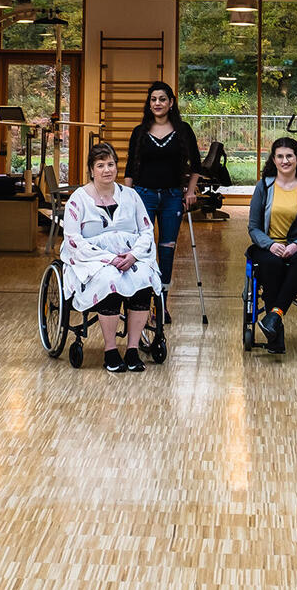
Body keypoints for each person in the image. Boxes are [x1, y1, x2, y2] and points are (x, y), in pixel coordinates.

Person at [63, 141, 162, 373]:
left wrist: (134, 255)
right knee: (109, 279)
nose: (107, 170)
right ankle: (110, 350)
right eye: (100, 165)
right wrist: (108, 258)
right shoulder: (78, 199)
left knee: (144, 278)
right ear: (91, 170)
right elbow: (73, 239)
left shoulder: (131, 195)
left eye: (111, 164)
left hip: (130, 256)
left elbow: (147, 230)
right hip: (92, 259)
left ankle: (132, 349)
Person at [248, 138, 297, 354]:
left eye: (289, 156)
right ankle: (275, 332)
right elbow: (253, 227)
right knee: (272, 265)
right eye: (280, 156)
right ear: (273, 159)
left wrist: (295, 245)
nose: (285, 160)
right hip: (268, 247)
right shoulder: (263, 187)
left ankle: (274, 315)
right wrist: (270, 245)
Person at [122, 81, 200, 286]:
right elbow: (130, 167)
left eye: (162, 99)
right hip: (143, 196)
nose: (157, 103)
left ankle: (162, 300)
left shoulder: (183, 130)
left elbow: (196, 165)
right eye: (153, 99)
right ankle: (143, 298)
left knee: (167, 247)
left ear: (171, 102)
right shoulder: (139, 131)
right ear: (149, 104)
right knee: (142, 247)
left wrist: (190, 191)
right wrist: (127, 197)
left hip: (172, 197)